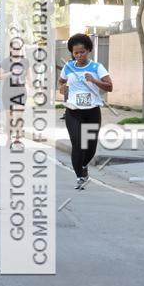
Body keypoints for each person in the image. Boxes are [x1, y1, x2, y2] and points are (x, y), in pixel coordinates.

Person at [58, 33, 113, 189]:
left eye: (82, 52)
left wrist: (94, 80)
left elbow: (110, 87)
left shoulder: (97, 67)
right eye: (75, 52)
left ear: (88, 50)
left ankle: (83, 166)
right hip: (73, 110)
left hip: (92, 111)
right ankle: (80, 177)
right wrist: (61, 87)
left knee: (90, 147)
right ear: (72, 53)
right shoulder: (68, 67)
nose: (79, 55)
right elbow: (61, 81)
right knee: (77, 143)